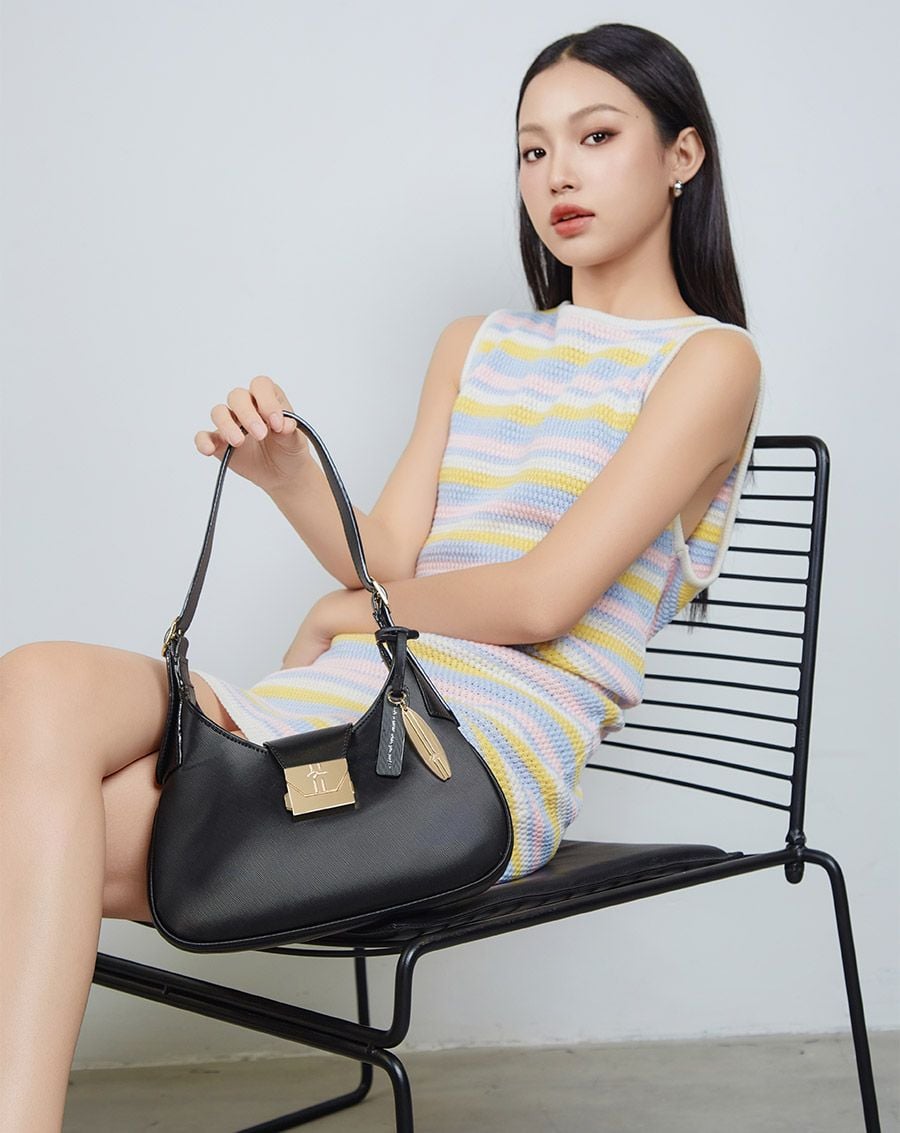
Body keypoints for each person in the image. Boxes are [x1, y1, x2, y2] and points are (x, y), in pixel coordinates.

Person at [0, 20, 764, 1131]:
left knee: (48, 829)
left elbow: (544, 598)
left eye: (595, 137)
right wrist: (284, 473)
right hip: (336, 707)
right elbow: (395, 554)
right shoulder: (475, 343)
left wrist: (343, 609)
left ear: (682, 155)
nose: (557, 175)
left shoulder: (711, 360)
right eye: (533, 149)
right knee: (37, 682)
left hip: (468, 753)